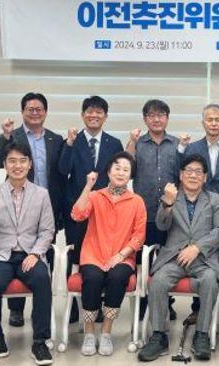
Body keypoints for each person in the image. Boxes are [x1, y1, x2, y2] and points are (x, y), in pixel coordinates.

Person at [0, 143, 55, 365]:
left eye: (22, 161)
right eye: (12, 161)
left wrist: (36, 253)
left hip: (29, 253)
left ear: (30, 164)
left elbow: (47, 230)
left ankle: (40, 341)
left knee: (42, 279)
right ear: (4, 164)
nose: (17, 165)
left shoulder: (41, 194)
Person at [138, 155, 219, 362]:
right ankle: (158, 336)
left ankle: (202, 334)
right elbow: (161, 225)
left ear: (205, 177)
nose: (193, 175)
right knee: (158, 281)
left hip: (203, 258)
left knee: (209, 280)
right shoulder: (171, 196)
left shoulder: (216, 200)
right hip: (173, 258)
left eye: (198, 171)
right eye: (189, 171)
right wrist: (168, 204)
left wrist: (197, 248)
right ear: (180, 174)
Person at [0, 92, 65, 327]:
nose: (35, 113)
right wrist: (5, 137)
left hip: (46, 204)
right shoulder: (13, 136)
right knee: (16, 253)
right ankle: (16, 308)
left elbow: (61, 173)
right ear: (22, 112)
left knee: (43, 255)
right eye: (30, 109)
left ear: (46, 112)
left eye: (39, 109)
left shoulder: (55, 139)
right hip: (17, 204)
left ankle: (40, 307)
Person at [71, 151, 146, 356]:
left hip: (123, 256)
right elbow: (77, 214)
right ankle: (89, 333)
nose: (121, 173)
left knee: (117, 276)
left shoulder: (137, 201)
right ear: (109, 171)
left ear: (131, 175)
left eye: (126, 170)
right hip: (93, 254)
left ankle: (106, 332)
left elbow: (139, 235)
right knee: (93, 278)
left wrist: (121, 256)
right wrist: (88, 186)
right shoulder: (96, 196)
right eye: (117, 168)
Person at [58, 96, 123, 323]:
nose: (94, 115)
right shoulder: (72, 141)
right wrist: (68, 144)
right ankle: (74, 307)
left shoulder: (114, 143)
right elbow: (62, 169)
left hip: (106, 211)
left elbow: (120, 176)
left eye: (99, 112)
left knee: (102, 255)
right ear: (82, 115)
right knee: (75, 255)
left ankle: (98, 303)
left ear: (106, 116)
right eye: (89, 111)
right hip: (77, 209)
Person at [126, 99, 188, 320]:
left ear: (167, 118)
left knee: (167, 260)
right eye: (152, 115)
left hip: (170, 213)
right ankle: (143, 305)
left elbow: (185, 174)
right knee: (142, 261)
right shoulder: (138, 143)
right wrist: (131, 142)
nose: (157, 119)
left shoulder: (176, 144)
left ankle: (165, 304)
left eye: (161, 115)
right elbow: (128, 170)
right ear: (145, 119)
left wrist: (184, 148)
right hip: (143, 213)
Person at [184, 104, 219, 325]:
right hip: (197, 212)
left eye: (218, 120)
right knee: (199, 258)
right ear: (203, 123)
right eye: (210, 119)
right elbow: (187, 180)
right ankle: (198, 308)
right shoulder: (193, 148)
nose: (214, 123)